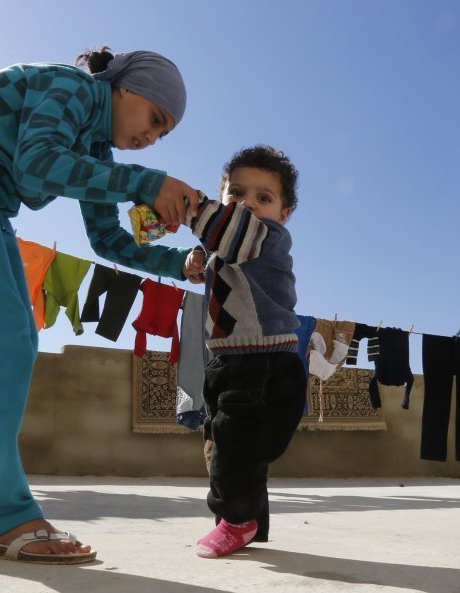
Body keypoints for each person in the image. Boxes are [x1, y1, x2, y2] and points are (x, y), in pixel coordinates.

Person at [0, 47, 200, 564]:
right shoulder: (70, 86)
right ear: (122, 88)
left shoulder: (96, 147)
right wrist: (145, 182)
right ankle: (5, 514)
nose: (152, 137)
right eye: (154, 119)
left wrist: (182, 263)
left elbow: (107, 241)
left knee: (13, 344)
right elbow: (37, 163)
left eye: (163, 134)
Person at [180, 146, 305, 558]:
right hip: (229, 360)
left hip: (262, 362)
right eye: (237, 193)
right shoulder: (231, 246)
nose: (248, 203)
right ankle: (245, 525)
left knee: (235, 446)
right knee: (229, 445)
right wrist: (197, 259)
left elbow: (228, 232)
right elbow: (221, 251)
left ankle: (236, 522)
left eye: (263, 198)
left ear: (283, 214)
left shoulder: (268, 238)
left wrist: (186, 205)